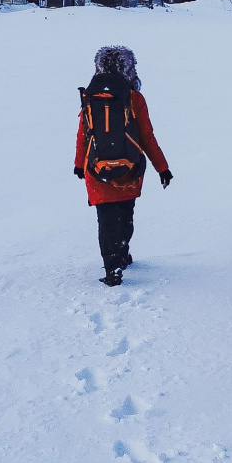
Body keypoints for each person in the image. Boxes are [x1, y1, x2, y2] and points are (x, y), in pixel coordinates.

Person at [74, 45, 172, 286]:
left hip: (96, 168)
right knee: (125, 214)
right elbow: (147, 137)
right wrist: (162, 168)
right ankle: (122, 252)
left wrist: (79, 164)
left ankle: (112, 267)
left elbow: (84, 134)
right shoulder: (134, 98)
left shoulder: (91, 97)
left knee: (106, 219)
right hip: (130, 168)